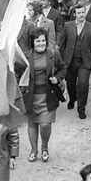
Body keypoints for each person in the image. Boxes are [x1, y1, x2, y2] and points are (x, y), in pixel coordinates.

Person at [21, 27, 66, 163]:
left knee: (45, 124)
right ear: (32, 42)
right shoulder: (25, 56)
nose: (41, 43)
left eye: (43, 41)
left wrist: (57, 78)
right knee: (32, 124)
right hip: (31, 96)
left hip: (48, 96)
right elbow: (17, 72)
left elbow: (63, 68)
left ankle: (44, 147)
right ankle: (33, 150)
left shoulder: (53, 54)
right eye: (38, 41)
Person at [58, 4, 91, 119]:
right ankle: (72, 98)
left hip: (85, 62)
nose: (81, 15)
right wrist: (59, 59)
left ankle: (81, 108)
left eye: (83, 12)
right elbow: (61, 43)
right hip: (70, 61)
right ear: (75, 14)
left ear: (85, 13)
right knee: (70, 84)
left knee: (83, 84)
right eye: (79, 13)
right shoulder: (68, 26)